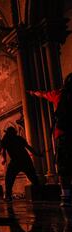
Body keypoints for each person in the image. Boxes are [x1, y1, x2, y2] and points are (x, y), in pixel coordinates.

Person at [29, 73, 72, 206]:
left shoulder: (59, 94)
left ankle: (65, 196)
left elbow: (43, 94)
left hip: (62, 134)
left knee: (63, 165)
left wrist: (33, 92)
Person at [0, 127, 42, 202]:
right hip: (24, 160)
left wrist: (4, 159)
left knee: (9, 178)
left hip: (18, 161)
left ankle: (8, 196)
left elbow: (3, 150)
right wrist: (37, 154)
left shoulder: (7, 139)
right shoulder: (16, 138)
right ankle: (40, 193)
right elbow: (28, 147)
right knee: (32, 177)